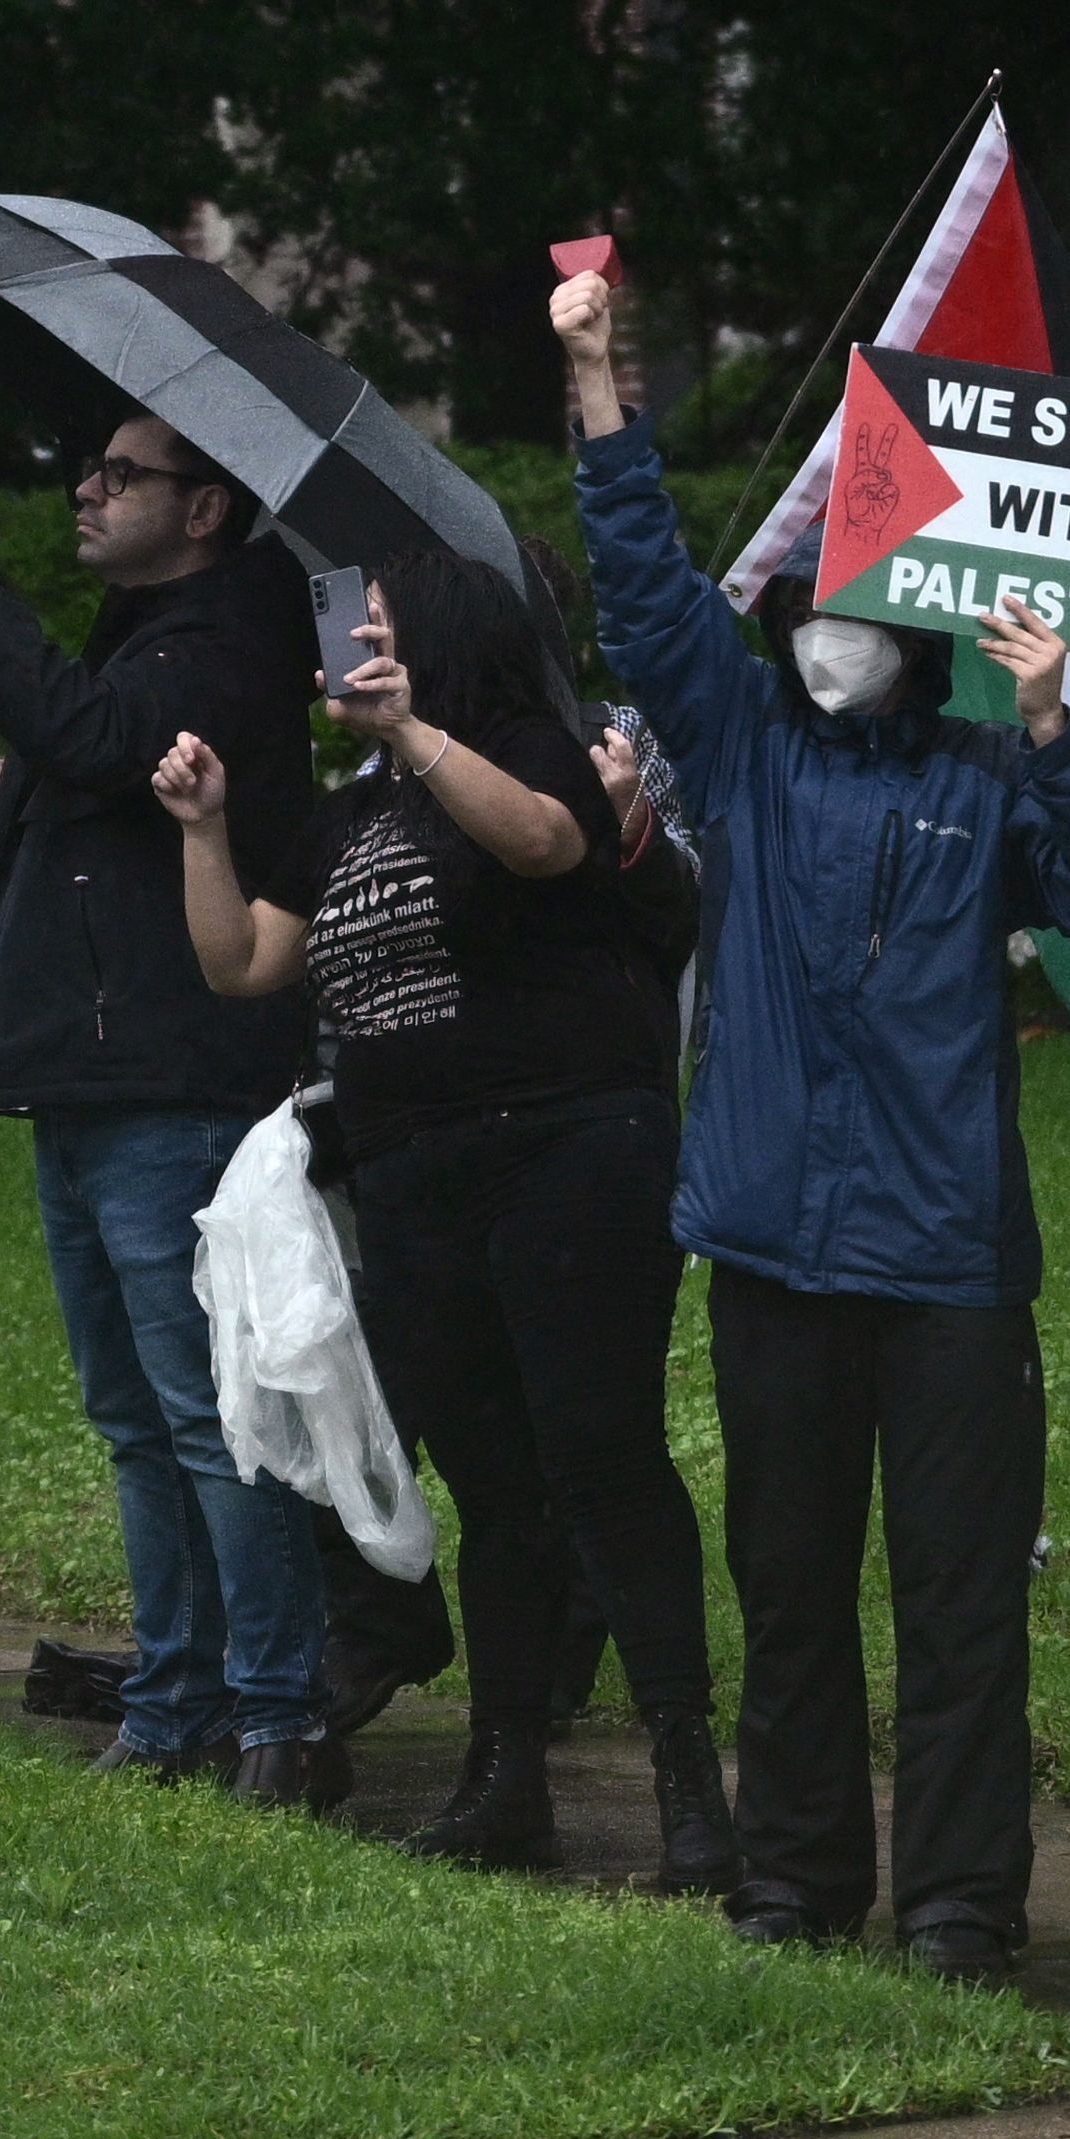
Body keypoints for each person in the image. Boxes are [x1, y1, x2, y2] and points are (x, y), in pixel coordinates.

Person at [554, 254, 1070, 1976]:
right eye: (806, 604)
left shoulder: (990, 776)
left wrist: (1054, 728)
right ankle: (797, 1884)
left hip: (949, 1260)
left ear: (920, 625)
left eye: (858, 606)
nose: (826, 635)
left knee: (962, 1609)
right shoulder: (746, 748)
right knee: (793, 1588)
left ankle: (962, 1904)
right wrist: (601, 374)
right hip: (772, 1247)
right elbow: (646, 589)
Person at [152, 542, 736, 1890]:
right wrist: (201, 828)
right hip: (414, 1180)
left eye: (381, 627)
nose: (356, 647)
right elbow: (244, 961)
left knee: (600, 1458)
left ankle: (690, 1783)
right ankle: (505, 1774)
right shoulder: (349, 811)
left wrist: (411, 730)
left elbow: (542, 844)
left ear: (445, 638)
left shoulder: (543, 745)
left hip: (567, 1156)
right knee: (490, 1482)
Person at [0, 415, 340, 1798]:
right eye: (89, 464)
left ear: (206, 510)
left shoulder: (224, 636)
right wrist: (14, 789)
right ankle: (177, 1700)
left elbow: (105, 744)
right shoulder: (150, 631)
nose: (87, 486)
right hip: (94, 1079)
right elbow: (92, 765)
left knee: (209, 1420)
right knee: (141, 1419)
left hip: (173, 1086)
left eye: (121, 475)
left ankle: (279, 1720)